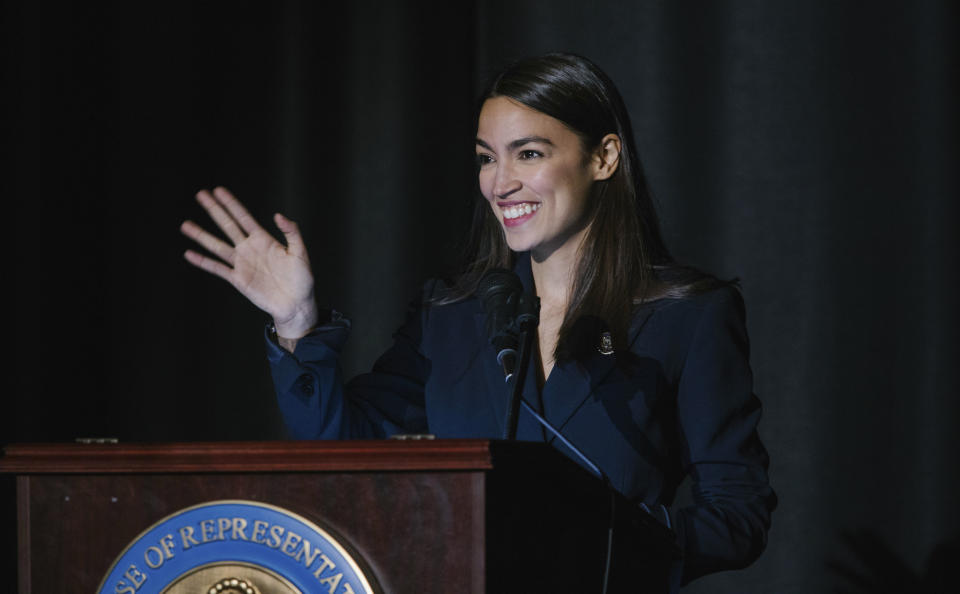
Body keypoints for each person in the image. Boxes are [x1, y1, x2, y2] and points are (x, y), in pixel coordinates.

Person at [181, 53, 775, 589]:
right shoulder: (453, 315)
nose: (501, 181)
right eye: (487, 158)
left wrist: (616, 544)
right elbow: (345, 455)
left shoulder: (688, 315)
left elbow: (737, 514)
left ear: (604, 157)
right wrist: (297, 324)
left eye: (530, 153)